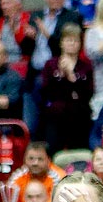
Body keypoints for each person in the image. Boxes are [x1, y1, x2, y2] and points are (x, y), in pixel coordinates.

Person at [37, 25, 95, 159]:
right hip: (56, 116)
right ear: (61, 43)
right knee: (54, 151)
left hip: (79, 116)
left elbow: (88, 93)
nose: (72, 44)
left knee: (80, 153)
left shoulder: (86, 67)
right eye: (68, 40)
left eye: (75, 41)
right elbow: (46, 91)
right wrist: (65, 80)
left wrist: (70, 76)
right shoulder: (50, 65)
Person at [2, 143, 66, 202]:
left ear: (48, 160)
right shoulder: (18, 176)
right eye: (31, 159)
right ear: (24, 159)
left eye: (40, 159)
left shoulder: (58, 177)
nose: (35, 163)